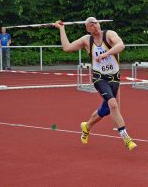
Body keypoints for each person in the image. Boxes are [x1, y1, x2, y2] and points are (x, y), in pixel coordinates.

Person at [54, 17, 137, 151]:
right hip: (99, 78)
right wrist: (62, 29)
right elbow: (67, 47)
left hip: (114, 78)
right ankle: (126, 138)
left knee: (105, 110)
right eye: (91, 25)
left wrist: (105, 54)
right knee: (113, 104)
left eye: (96, 23)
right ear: (87, 29)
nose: (95, 26)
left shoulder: (109, 34)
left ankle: (87, 126)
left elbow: (121, 45)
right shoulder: (87, 40)